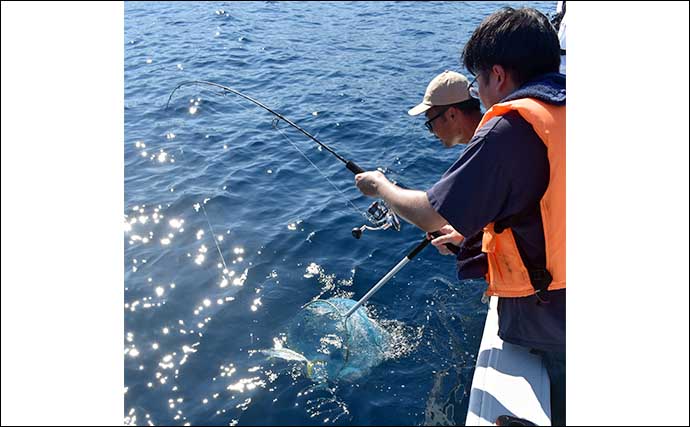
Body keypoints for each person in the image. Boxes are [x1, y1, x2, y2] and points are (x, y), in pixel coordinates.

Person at [355, 7, 566, 426]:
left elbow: (432, 212)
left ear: (498, 75)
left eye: (479, 80)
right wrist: (476, 238)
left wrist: (379, 185)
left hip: (553, 310)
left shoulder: (510, 129)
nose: (479, 92)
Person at [407, 70, 487, 281]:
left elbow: (428, 216)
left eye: (430, 122)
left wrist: (379, 186)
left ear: (452, 114)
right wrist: (464, 238)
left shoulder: (487, 148)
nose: (432, 132)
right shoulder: (489, 136)